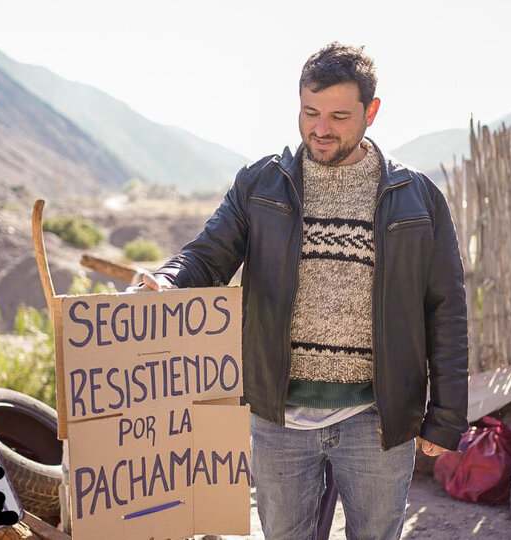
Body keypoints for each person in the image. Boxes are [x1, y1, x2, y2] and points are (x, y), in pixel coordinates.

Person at [133, 42, 468, 540]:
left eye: (338, 115)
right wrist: (166, 280)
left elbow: (446, 310)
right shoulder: (262, 185)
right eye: (309, 112)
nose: (320, 128)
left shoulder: (416, 197)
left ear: (371, 112)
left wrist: (445, 418)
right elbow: (206, 255)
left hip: (375, 418)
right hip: (279, 419)